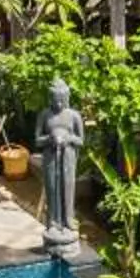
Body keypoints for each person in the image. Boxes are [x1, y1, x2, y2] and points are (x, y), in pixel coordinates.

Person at [36, 77, 86, 255]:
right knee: (52, 188)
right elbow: (37, 139)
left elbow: (81, 140)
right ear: (50, 98)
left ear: (66, 98)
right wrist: (50, 139)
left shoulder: (74, 116)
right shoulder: (45, 115)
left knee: (67, 188)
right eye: (54, 100)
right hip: (50, 157)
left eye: (61, 100)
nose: (58, 104)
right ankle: (53, 222)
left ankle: (68, 221)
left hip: (68, 158)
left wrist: (68, 138)